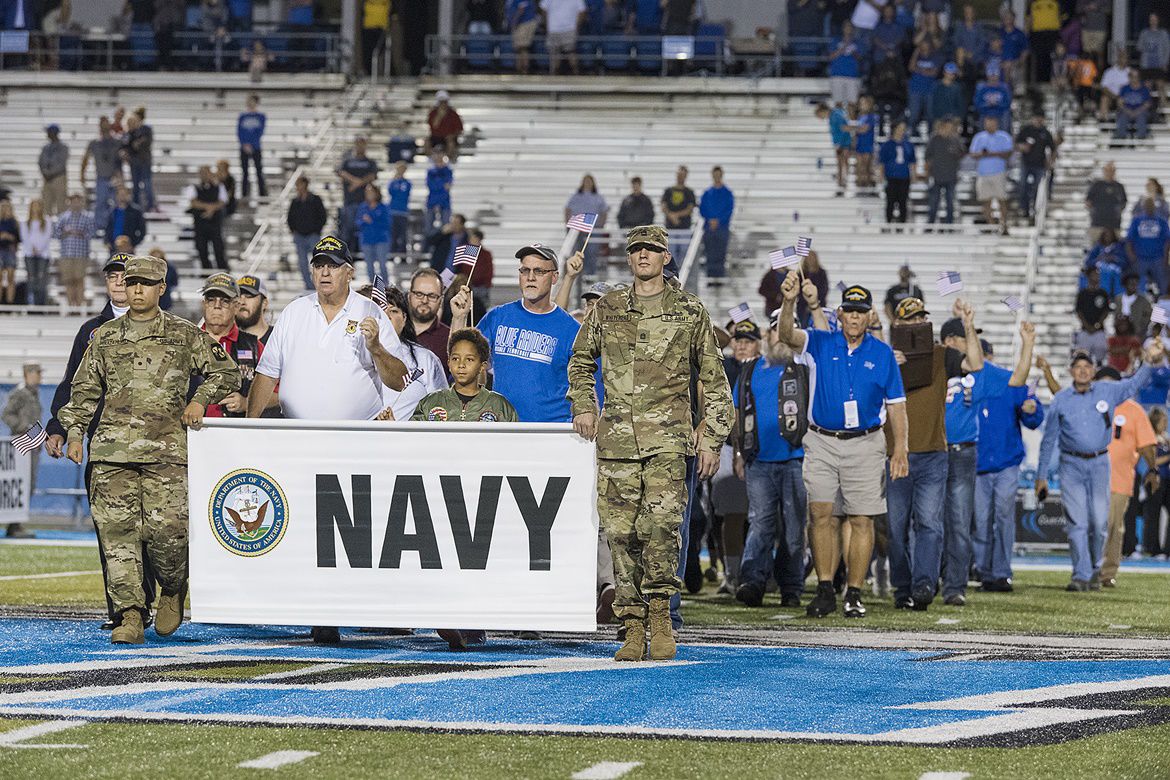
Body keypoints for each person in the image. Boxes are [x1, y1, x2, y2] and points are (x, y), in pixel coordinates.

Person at [568, 225, 732, 661]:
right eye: (637, 249)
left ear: (665, 258)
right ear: (629, 257)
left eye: (652, 250)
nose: (643, 255)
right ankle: (632, 626)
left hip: (668, 442)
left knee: (661, 532)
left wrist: (712, 436)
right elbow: (581, 359)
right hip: (617, 441)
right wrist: (584, 405)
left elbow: (715, 379)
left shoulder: (690, 311)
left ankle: (660, 617)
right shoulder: (608, 308)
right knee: (621, 536)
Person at [58, 254, 241, 644]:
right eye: (131, 282)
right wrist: (75, 432)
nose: (135, 289)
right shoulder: (104, 336)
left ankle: (173, 588)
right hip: (111, 454)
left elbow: (226, 373)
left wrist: (199, 400)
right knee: (117, 537)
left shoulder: (184, 333)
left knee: (169, 533)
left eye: (144, 283)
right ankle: (130, 615)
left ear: (161, 288)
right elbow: (84, 390)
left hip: (166, 453)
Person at [249, 237, 408, 644]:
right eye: (319, 264)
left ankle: (359, 605)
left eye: (333, 265)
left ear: (348, 271)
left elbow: (398, 378)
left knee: (353, 527)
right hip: (302, 441)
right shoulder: (295, 311)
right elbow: (267, 373)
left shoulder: (369, 313)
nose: (324, 272)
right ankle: (321, 611)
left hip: (356, 441)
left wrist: (374, 346)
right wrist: (247, 429)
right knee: (308, 528)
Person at [776, 279, 908, 618]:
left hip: (865, 442)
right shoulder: (820, 341)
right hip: (821, 440)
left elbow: (896, 405)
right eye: (849, 311)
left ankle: (854, 591)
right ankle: (824, 588)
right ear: (840, 313)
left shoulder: (882, 354)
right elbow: (787, 335)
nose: (854, 317)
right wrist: (789, 301)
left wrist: (901, 449)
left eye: (860, 313)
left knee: (861, 519)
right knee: (821, 515)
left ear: (869, 316)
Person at [46, 254, 154, 629]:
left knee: (154, 530)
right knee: (111, 528)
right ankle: (124, 610)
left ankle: (151, 598)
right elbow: (72, 384)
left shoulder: (163, 326)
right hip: (106, 444)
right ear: (106, 282)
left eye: (126, 276)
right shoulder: (92, 330)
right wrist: (58, 427)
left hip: (154, 445)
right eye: (113, 275)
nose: (120, 282)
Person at [1036, 344, 1163, 591]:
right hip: (1071, 464)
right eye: (1078, 367)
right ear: (1071, 371)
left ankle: (1094, 568)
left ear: (1093, 370)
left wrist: (1149, 362)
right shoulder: (1062, 399)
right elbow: (1048, 439)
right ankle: (1081, 574)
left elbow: (1134, 385)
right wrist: (1041, 475)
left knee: (1098, 523)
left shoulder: (1107, 391)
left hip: (1098, 464)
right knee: (1078, 523)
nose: (1083, 371)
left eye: (1087, 367)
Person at [885, 297, 983, 611]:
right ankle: (902, 587)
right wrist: (890, 365)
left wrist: (968, 326)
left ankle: (924, 584)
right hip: (896, 454)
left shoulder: (941, 355)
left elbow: (976, 364)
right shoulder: (884, 357)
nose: (917, 324)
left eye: (921, 318)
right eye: (910, 319)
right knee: (895, 528)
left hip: (933, 454)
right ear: (898, 325)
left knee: (928, 524)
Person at [942, 322, 1033, 605]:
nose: (975, 346)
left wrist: (1028, 344)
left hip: (977, 456)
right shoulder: (934, 362)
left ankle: (982, 575)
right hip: (933, 451)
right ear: (949, 341)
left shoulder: (984, 374)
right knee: (930, 521)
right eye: (969, 338)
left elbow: (1018, 380)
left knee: (972, 521)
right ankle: (927, 576)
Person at [452, 243, 580, 424]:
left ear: (554, 277)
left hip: (551, 431)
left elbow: (584, 384)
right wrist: (459, 318)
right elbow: (461, 360)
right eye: (525, 270)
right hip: (503, 426)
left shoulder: (571, 329)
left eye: (539, 271)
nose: (530, 277)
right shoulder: (497, 317)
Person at [731, 310, 808, 608]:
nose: (782, 337)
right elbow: (739, 413)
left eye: (789, 331)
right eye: (777, 330)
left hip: (796, 458)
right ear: (767, 335)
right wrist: (739, 451)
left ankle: (791, 586)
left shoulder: (803, 368)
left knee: (793, 526)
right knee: (760, 522)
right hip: (758, 460)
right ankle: (752, 581)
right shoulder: (749, 371)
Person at [973, 336, 1045, 591]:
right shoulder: (967, 384)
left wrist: (1031, 409)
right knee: (980, 520)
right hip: (976, 463)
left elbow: (1033, 419)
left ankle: (1001, 572)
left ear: (990, 356)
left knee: (1001, 518)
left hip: (1005, 463)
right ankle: (983, 570)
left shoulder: (1007, 380)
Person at [1096, 366, 1159, 587]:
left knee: (1112, 526)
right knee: (1090, 525)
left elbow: (1147, 444)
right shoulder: (1089, 404)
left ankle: (1106, 572)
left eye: (1110, 384)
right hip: (1089, 478)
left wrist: (1152, 469)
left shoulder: (1133, 410)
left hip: (1119, 478)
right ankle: (1087, 569)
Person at [198, 273, 272, 419]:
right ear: (204, 304)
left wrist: (247, 403)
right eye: (211, 300)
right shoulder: (186, 342)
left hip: (235, 432)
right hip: (190, 432)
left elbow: (277, 392)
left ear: (236, 306)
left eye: (225, 301)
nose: (217, 306)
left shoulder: (254, 346)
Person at [378, 286, 448, 422]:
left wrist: (401, 428)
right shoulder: (352, 354)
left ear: (404, 319)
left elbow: (440, 411)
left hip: (411, 440)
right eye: (380, 311)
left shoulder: (425, 358)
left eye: (393, 311)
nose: (387, 316)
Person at [2, 362, 42, 539]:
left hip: (31, 446)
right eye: (37, 373)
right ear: (28, 374)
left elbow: (34, 421)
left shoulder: (34, 394)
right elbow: (6, 414)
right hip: (20, 446)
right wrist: (23, 427)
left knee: (29, 485)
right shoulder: (20, 393)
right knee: (19, 484)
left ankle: (16, 523)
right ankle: (14, 524)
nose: (40, 377)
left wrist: (38, 438)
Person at [970, 115, 1014, 234]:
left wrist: (992, 154)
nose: (990, 125)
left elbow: (1008, 153)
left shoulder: (1004, 137)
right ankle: (992, 226)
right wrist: (983, 154)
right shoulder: (979, 137)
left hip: (998, 173)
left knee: (1002, 200)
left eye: (992, 123)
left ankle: (1004, 225)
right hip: (983, 173)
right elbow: (973, 154)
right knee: (985, 201)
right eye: (987, 123)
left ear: (996, 123)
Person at [52, 193, 97, 307]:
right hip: (66, 253)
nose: (76, 204)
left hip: (81, 253)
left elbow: (92, 233)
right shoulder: (63, 217)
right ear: (70, 202)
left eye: (78, 201)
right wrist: (66, 232)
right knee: (68, 280)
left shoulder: (88, 217)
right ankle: (71, 305)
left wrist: (81, 233)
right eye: (73, 201)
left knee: (79, 279)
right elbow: (56, 233)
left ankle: (79, 305)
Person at [336, 135, 379, 249]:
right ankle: (349, 255)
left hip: (366, 203)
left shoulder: (370, 162)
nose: (360, 146)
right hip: (349, 201)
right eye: (358, 144)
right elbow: (340, 172)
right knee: (348, 229)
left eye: (362, 144)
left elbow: (373, 175)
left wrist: (357, 183)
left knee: (364, 228)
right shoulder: (347, 161)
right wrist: (355, 181)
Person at [80, 116, 122, 230]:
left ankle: (115, 227)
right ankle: (99, 227)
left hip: (114, 177)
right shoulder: (94, 143)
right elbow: (85, 159)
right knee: (100, 203)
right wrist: (82, 174)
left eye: (106, 123)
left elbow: (121, 159)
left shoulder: (117, 141)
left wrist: (119, 177)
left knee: (116, 203)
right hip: (101, 177)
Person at [287, 175, 328, 290]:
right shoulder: (295, 202)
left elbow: (322, 216)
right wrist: (293, 230)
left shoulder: (315, 200)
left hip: (313, 235)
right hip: (299, 236)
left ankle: (319, 283)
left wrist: (317, 229)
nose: (298, 187)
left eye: (300, 184)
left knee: (317, 262)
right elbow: (290, 218)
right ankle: (309, 286)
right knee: (302, 263)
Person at [565, 174, 608, 282]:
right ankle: (577, 275)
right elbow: (567, 209)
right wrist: (568, 224)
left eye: (590, 181)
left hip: (593, 229)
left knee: (592, 252)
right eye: (585, 181)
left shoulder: (598, 197)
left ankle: (590, 274)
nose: (587, 183)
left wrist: (601, 225)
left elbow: (604, 211)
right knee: (577, 252)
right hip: (577, 230)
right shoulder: (576, 196)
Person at [1016, 111, 1058, 221]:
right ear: (1032, 118)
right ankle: (1024, 208)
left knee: (1038, 188)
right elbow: (1016, 144)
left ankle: (1035, 208)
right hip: (1026, 163)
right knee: (1023, 186)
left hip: (1040, 165)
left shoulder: (1045, 132)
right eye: (1036, 117)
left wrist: (1050, 162)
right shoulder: (1026, 130)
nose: (1038, 120)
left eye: (1041, 117)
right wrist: (1022, 147)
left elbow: (1053, 149)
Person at [185, 166, 228, 271]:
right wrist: (208, 208)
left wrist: (211, 209)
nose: (205, 175)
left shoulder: (219, 187)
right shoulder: (194, 187)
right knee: (202, 250)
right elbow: (193, 202)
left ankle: (223, 272)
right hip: (200, 225)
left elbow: (223, 202)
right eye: (202, 173)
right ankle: (206, 273)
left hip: (215, 225)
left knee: (219, 249)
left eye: (207, 173)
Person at [924, 116, 964, 225]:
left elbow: (961, 154)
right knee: (933, 203)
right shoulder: (934, 139)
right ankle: (930, 224)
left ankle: (949, 225)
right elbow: (927, 156)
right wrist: (927, 173)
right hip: (936, 175)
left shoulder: (955, 139)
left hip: (951, 176)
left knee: (950, 202)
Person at [408, 268, 451, 366]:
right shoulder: (394, 332)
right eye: (419, 294)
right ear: (409, 296)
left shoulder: (449, 338)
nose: (424, 300)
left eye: (432, 296)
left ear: (441, 300)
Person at [1126, 201, 1170, 296]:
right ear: (1144, 207)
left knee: (1163, 284)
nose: (1149, 207)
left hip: (1158, 258)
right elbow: (1129, 239)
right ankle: (1142, 305)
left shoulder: (1161, 221)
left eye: (1151, 205)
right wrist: (1132, 256)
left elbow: (1167, 240)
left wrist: (1166, 257)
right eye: (1147, 205)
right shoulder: (1137, 220)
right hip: (1140, 258)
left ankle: (1163, 306)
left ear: (1154, 207)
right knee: (1139, 285)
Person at [699, 166, 734, 283]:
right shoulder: (707, 193)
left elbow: (729, 210)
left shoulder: (727, 193)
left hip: (722, 229)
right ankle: (710, 279)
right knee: (710, 254)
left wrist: (718, 221)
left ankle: (719, 279)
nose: (717, 176)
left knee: (720, 254)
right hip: (709, 228)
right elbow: (702, 209)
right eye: (715, 174)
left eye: (719, 174)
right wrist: (710, 220)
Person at [878, 121, 915, 225]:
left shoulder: (908, 145)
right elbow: (882, 162)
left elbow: (912, 162)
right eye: (900, 128)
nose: (902, 131)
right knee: (890, 202)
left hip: (904, 177)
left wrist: (914, 175)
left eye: (903, 129)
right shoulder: (887, 145)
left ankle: (902, 224)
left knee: (903, 202)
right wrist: (880, 175)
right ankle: (889, 223)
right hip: (891, 177)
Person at [660, 165, 696, 265]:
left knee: (685, 255)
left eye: (683, 175)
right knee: (670, 255)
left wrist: (676, 215)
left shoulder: (689, 192)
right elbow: (663, 206)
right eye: (679, 175)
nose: (680, 177)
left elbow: (690, 209)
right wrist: (671, 216)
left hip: (684, 228)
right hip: (670, 228)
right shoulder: (668, 191)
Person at [1075, 267, 1111, 363]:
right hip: (1084, 330)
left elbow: (1106, 311)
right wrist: (1087, 326)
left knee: (1100, 354)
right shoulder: (1082, 294)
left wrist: (1097, 325)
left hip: (1099, 330)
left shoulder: (1103, 293)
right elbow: (1079, 312)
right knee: (1083, 355)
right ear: (1088, 276)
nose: (1096, 277)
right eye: (1094, 274)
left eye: (1098, 275)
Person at [356, 183, 391, 283]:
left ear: (376, 193)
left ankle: (386, 288)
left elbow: (387, 224)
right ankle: (372, 288)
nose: (369, 194)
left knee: (382, 264)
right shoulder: (362, 207)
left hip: (381, 240)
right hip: (366, 240)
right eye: (367, 192)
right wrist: (364, 221)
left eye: (371, 192)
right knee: (369, 266)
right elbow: (357, 222)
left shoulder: (383, 207)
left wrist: (372, 221)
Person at [1085, 161, 1127, 245]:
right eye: (1107, 170)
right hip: (1098, 224)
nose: (1109, 172)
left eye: (1112, 170)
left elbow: (1124, 203)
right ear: (1104, 171)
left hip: (1114, 225)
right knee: (1095, 250)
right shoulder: (1097, 185)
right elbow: (1088, 201)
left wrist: (1116, 212)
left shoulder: (1119, 187)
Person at [122, 111, 155, 212]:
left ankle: (150, 205)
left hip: (144, 162)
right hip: (134, 163)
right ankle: (136, 205)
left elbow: (145, 142)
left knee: (147, 183)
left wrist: (138, 143)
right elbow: (126, 147)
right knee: (135, 185)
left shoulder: (145, 130)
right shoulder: (127, 134)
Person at [542, 0, 585, 75]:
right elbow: (582, 12)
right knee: (569, 52)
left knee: (559, 54)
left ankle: (571, 74)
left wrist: (547, 26)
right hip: (566, 29)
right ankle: (575, 74)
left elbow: (543, 10)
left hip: (555, 28)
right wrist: (576, 27)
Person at [21, 199, 52, 306]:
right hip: (29, 254)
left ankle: (41, 303)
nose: (36, 208)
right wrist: (32, 248)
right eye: (34, 206)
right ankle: (31, 303)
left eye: (38, 205)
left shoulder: (47, 221)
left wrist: (40, 249)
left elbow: (47, 236)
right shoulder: (25, 222)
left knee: (41, 278)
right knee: (31, 277)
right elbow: (25, 238)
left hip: (43, 254)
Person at [237, 93, 267, 199]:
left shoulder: (261, 117)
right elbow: (239, 132)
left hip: (256, 148)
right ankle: (244, 194)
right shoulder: (242, 116)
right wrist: (244, 144)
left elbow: (260, 132)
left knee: (258, 171)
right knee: (245, 172)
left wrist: (252, 145)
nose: (250, 103)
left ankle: (262, 194)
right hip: (244, 148)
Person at [827, 21, 863, 107]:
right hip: (837, 75)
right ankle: (839, 119)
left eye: (850, 27)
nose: (848, 29)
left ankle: (852, 120)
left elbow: (860, 58)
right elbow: (830, 57)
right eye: (846, 27)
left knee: (852, 103)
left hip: (852, 76)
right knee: (838, 102)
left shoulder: (858, 42)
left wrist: (853, 51)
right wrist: (842, 49)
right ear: (843, 29)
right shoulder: (835, 41)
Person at [1137, 13, 1169, 108]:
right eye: (1151, 19)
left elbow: (1167, 49)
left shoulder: (1163, 33)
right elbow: (1139, 47)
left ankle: (1163, 106)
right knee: (1147, 86)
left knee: (1160, 85)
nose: (1153, 21)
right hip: (1147, 64)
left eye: (1154, 19)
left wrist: (1165, 62)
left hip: (1159, 64)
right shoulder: (1144, 33)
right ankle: (1147, 106)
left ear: (1158, 20)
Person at [39, 124, 69, 217]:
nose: (47, 134)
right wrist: (45, 173)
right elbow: (40, 162)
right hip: (47, 179)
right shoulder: (46, 148)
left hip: (58, 177)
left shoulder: (63, 147)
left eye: (49, 132)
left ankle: (61, 226)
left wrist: (51, 173)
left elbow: (61, 163)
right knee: (46, 203)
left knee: (61, 203)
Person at [104, 185, 146, 252]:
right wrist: (107, 242)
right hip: (113, 248)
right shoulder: (112, 211)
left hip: (128, 248)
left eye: (124, 195)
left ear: (128, 195)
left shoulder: (135, 212)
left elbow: (142, 230)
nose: (122, 197)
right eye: (120, 195)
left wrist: (133, 244)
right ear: (116, 196)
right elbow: (107, 228)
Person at [1115, 68, 1153, 140]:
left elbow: (1147, 104)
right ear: (1129, 77)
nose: (1134, 78)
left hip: (1140, 111)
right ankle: (1121, 139)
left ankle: (1141, 139)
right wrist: (1128, 111)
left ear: (1139, 77)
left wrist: (1137, 112)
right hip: (1126, 111)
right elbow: (1119, 103)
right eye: (1132, 76)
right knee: (1122, 117)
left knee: (1142, 117)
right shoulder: (1124, 88)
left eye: (1136, 76)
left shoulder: (1144, 89)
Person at [235, 273, 274, 344]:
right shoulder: (226, 341)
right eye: (238, 296)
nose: (242, 301)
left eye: (249, 296)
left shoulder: (277, 337)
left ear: (264, 303)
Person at [1116, 272, 1153, 339]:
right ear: (1125, 284)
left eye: (1136, 284)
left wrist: (1141, 328)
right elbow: (1115, 314)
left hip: (1137, 333)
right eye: (1131, 283)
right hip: (1120, 332)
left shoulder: (1144, 300)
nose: (1134, 286)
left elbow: (1149, 315)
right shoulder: (1118, 298)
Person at [427, 89, 464, 155]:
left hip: (449, 138)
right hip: (436, 137)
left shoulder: (453, 114)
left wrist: (452, 136)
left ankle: (448, 159)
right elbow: (433, 126)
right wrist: (439, 116)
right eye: (441, 102)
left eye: (444, 102)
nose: (443, 104)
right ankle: (431, 159)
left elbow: (459, 129)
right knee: (426, 142)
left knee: (450, 143)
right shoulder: (433, 113)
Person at [506, 0, 540, 74]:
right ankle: (519, 70)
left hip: (525, 23)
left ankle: (525, 70)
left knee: (523, 47)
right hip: (518, 24)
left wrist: (514, 23)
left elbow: (521, 9)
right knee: (518, 49)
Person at [387, 160, 412, 258]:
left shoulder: (407, 183)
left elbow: (404, 194)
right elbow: (391, 192)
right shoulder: (392, 182)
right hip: (393, 212)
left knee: (403, 236)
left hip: (403, 212)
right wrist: (395, 180)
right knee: (393, 235)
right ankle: (392, 254)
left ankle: (403, 256)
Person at [425, 149, 454, 230]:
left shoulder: (448, 170)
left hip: (444, 200)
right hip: (432, 200)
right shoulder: (431, 171)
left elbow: (448, 185)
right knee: (428, 226)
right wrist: (442, 185)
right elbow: (430, 185)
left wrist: (439, 185)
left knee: (445, 225)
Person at [1099, 51, 1132, 120]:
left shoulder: (1131, 72)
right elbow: (1104, 87)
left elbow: (1135, 86)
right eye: (1123, 57)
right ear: (1119, 59)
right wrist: (1115, 97)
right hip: (1112, 97)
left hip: (1127, 97)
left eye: (1126, 58)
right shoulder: (1109, 71)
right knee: (1104, 99)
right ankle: (1103, 121)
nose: (1125, 59)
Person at [0, 200, 18, 305]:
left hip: (10, 251)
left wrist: (10, 237)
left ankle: (10, 302)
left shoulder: (14, 223)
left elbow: (19, 238)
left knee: (11, 277)